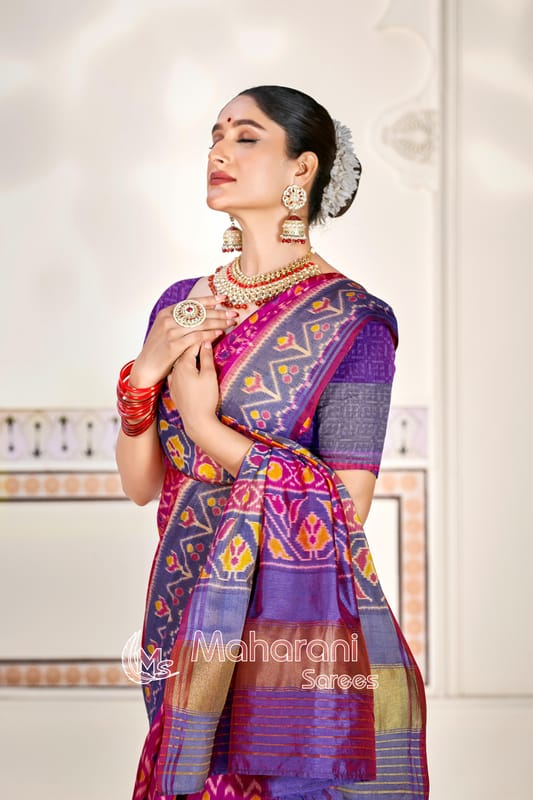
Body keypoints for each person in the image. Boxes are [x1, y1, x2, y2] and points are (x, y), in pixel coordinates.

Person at [116, 85, 429, 800]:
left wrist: (206, 428)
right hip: (180, 600)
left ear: (302, 168)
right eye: (215, 135)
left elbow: (344, 507)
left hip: (285, 616)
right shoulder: (181, 304)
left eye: (246, 136)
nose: (219, 151)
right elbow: (141, 486)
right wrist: (145, 374)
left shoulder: (355, 322)